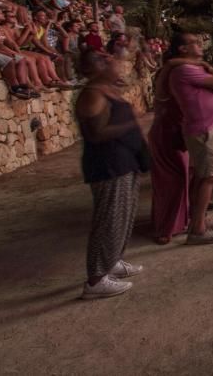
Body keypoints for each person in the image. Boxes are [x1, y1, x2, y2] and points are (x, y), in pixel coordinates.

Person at [76, 51, 149, 299]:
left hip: (125, 161)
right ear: (95, 67)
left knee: (123, 217)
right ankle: (96, 280)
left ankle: (112, 261)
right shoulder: (92, 94)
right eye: (106, 60)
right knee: (108, 220)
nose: (114, 62)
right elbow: (96, 133)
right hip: (108, 165)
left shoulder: (107, 90)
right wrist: (133, 122)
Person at [168, 32, 213, 245]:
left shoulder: (189, 68)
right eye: (194, 42)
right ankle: (197, 230)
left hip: (208, 127)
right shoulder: (185, 70)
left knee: (203, 177)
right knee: (208, 178)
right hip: (205, 129)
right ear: (182, 49)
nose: (200, 44)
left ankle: (199, 220)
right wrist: (212, 72)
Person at [147, 45, 194, 245]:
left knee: (185, 178)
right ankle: (164, 228)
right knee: (171, 181)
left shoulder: (178, 74)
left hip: (179, 131)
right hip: (168, 132)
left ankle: (184, 221)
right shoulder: (168, 76)